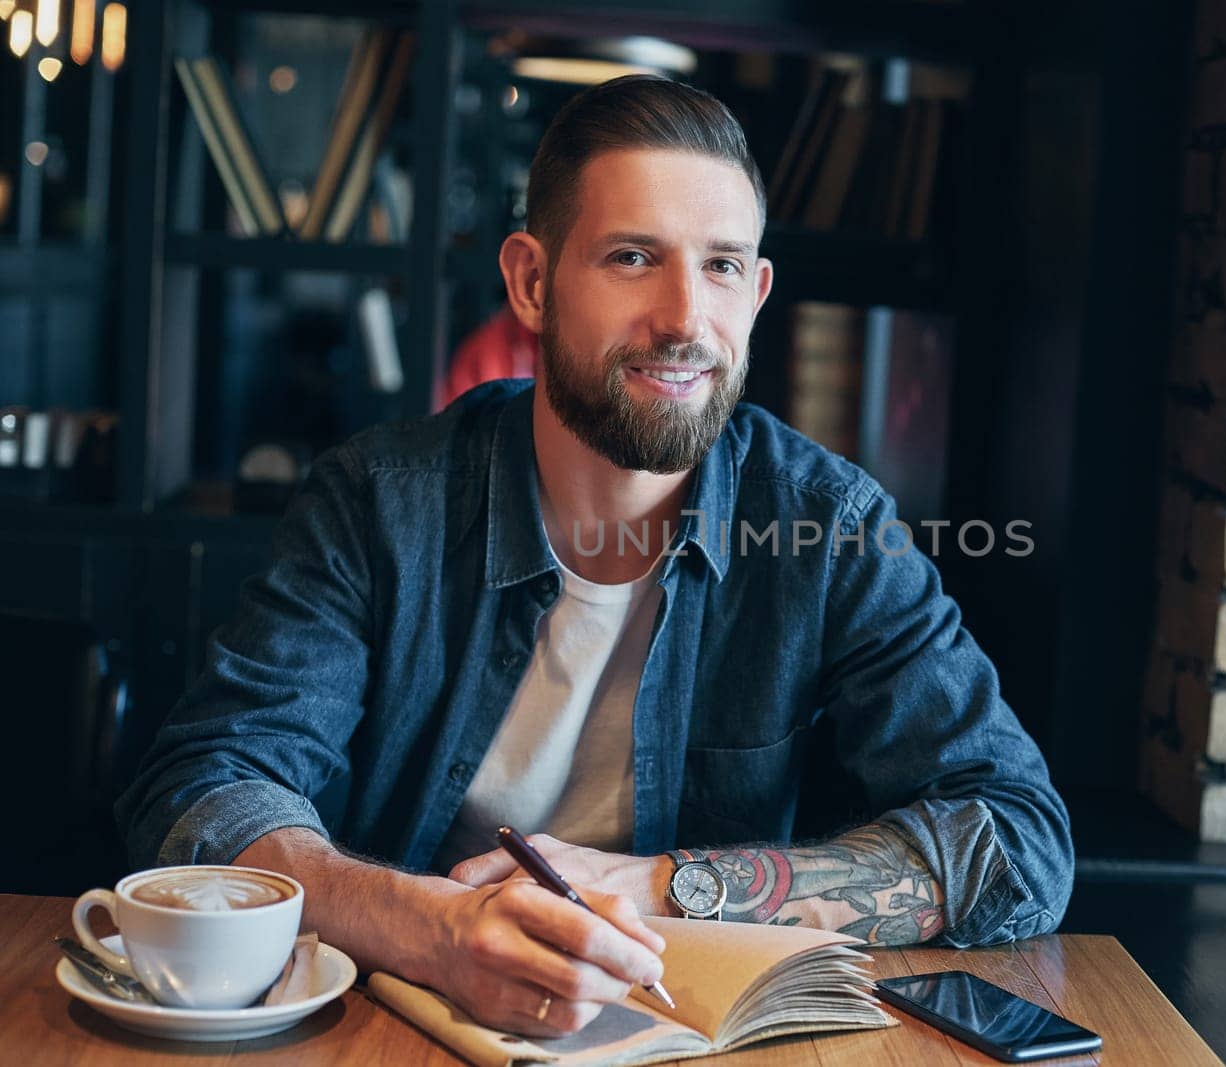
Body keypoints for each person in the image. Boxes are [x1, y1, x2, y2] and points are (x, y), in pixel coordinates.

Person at [117, 75, 1073, 1038]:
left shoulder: (831, 528)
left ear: (759, 292)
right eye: (632, 257)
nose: (686, 318)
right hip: (399, 1031)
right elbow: (206, 786)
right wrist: (437, 929)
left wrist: (670, 885)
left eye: (723, 267)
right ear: (531, 281)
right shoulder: (380, 502)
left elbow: (1023, 845)